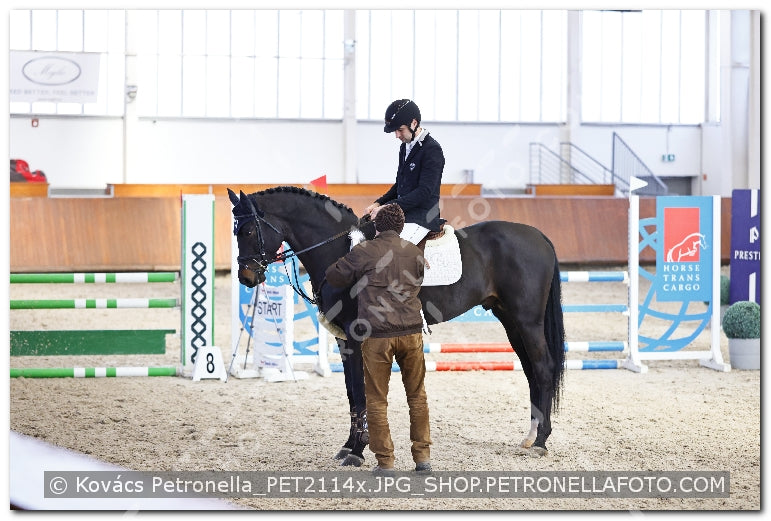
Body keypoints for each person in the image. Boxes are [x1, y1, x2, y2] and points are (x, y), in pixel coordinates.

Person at [324, 203, 432, 475]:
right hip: (411, 333)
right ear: (401, 227)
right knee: (417, 396)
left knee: (376, 400)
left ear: (377, 226)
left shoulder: (365, 250)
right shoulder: (414, 252)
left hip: (378, 336)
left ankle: (386, 462)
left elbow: (334, 275)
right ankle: (422, 459)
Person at [364, 99, 445, 247]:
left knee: (391, 249)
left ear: (414, 123)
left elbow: (424, 192)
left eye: (400, 130)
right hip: (404, 215)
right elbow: (399, 186)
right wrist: (378, 203)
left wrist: (387, 207)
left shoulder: (432, 149)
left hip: (423, 217)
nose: (397, 135)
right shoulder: (405, 147)